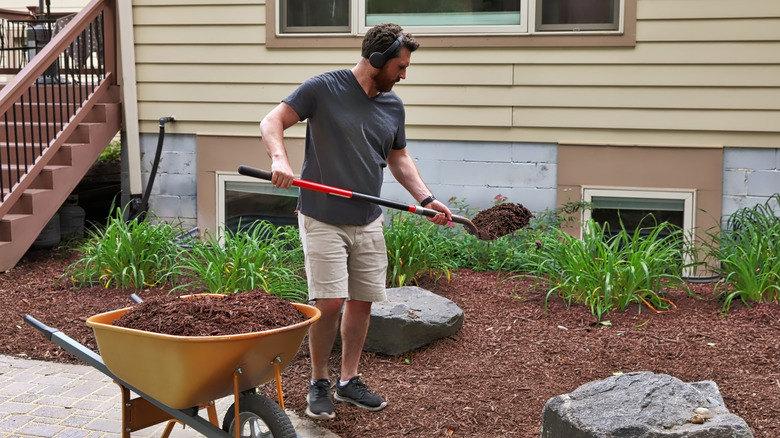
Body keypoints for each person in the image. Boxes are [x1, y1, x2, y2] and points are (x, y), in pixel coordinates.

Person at [259, 23, 453, 420]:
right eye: (400, 66)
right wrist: (280, 159)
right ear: (377, 60)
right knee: (329, 303)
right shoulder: (323, 88)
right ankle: (318, 381)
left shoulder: (392, 105)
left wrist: (427, 199)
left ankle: (349, 381)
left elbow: (398, 157)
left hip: (367, 219)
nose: (403, 74)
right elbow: (271, 122)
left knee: (362, 302)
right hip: (322, 216)